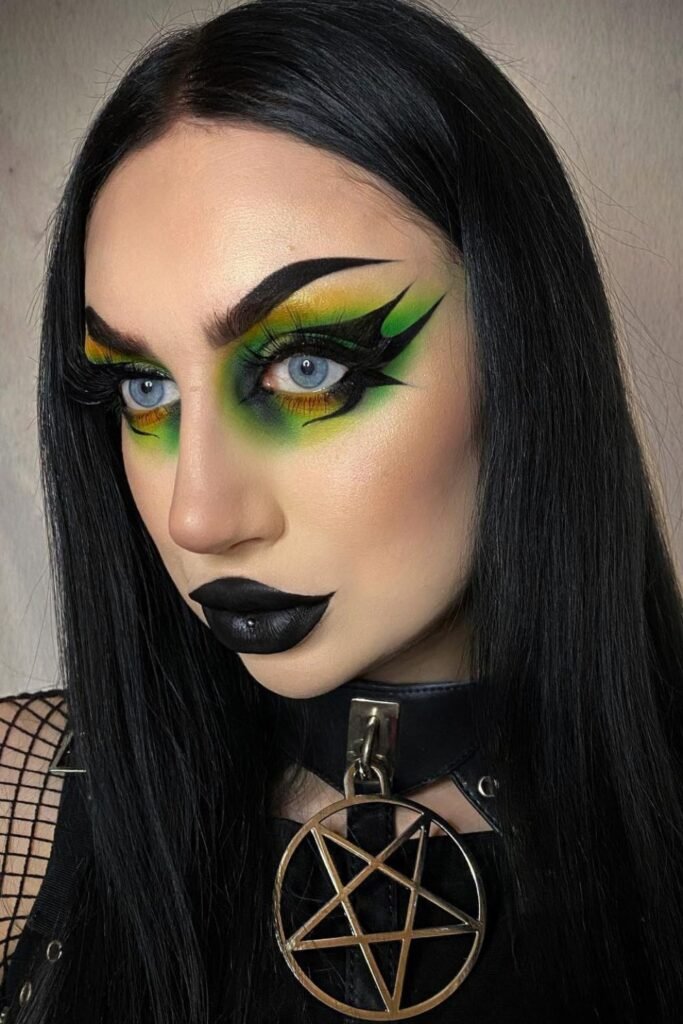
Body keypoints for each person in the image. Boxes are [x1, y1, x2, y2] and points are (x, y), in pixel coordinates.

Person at [1, 0, 682, 1020]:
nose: (198, 518)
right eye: (143, 389)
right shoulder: (23, 803)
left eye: (307, 366)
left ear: (523, 353)